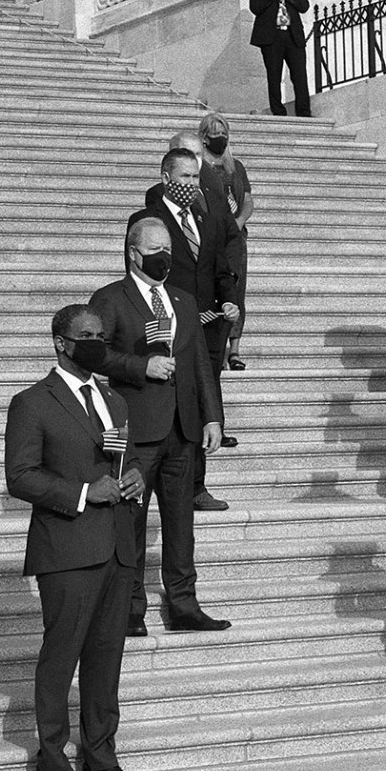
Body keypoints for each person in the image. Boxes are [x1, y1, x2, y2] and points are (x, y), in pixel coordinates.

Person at [5, 303, 148, 771]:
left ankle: (101, 758)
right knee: (61, 657)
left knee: (106, 659)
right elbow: (20, 477)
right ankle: (51, 764)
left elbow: (119, 459)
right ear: (61, 343)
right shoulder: (32, 402)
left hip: (116, 547)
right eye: (86, 335)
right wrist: (87, 493)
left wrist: (133, 479)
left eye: (102, 335)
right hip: (66, 548)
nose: (97, 342)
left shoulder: (114, 400)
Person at [89, 216, 228, 636]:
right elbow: (94, 355)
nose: (164, 258)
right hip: (136, 430)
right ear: (133, 253)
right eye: (154, 251)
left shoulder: (183, 300)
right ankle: (129, 608)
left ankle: (184, 604)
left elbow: (201, 364)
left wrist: (213, 416)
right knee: (130, 519)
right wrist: (140, 366)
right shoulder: (111, 299)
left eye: (167, 249)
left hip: (183, 429)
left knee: (180, 521)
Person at [140, 142, 239, 495]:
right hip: (170, 328)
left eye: (196, 177)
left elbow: (221, 268)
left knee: (203, 402)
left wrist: (229, 302)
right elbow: (142, 277)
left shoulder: (205, 217)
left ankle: (197, 486)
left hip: (209, 327)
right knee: (174, 404)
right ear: (166, 178)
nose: (193, 183)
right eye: (186, 176)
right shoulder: (148, 221)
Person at [197, 113, 252, 372]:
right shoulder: (199, 166)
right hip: (211, 236)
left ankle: (235, 350)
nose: (221, 138)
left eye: (224, 133)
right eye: (215, 133)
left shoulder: (235, 166)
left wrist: (239, 222)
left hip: (235, 238)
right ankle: (214, 347)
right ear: (205, 137)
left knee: (237, 292)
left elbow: (248, 200)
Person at [248, 0, 311, 117]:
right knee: (274, 75)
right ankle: (278, 111)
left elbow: (304, 6)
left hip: (292, 35)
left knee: (299, 75)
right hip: (271, 37)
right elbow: (255, 7)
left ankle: (303, 111)